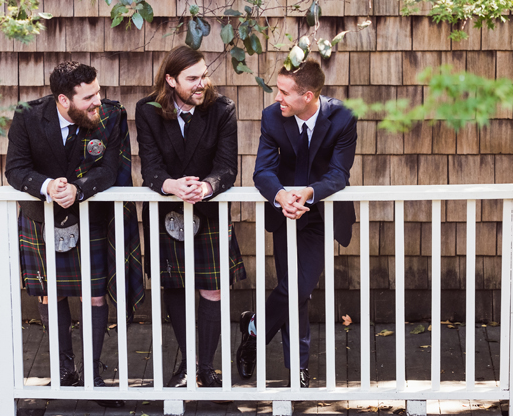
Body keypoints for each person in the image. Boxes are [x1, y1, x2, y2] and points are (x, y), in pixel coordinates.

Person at [5, 61, 143, 408]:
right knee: (51, 295)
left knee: (94, 296)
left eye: (98, 92)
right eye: (88, 98)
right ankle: (65, 371)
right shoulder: (29, 116)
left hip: (91, 217)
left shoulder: (111, 116)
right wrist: (48, 186)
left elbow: (112, 168)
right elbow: (15, 169)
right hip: (42, 218)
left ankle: (92, 376)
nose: (98, 101)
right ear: (63, 100)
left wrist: (79, 189)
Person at [236, 60, 357, 388]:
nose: (277, 97)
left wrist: (308, 193)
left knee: (299, 288)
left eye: (284, 92)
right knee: (295, 293)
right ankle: (298, 368)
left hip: (319, 214)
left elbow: (338, 174)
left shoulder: (343, 118)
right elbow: (262, 171)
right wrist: (280, 196)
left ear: (307, 95)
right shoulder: (272, 116)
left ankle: (254, 330)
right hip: (284, 212)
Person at [135, 46, 245, 388]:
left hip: (208, 211)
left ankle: (207, 367)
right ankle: (188, 364)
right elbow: (150, 166)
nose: (202, 84)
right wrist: (170, 185)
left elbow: (227, 167)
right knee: (176, 286)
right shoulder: (148, 111)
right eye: (192, 78)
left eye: (204, 76)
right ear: (171, 80)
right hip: (167, 210)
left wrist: (207, 186)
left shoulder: (221, 109)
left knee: (213, 289)